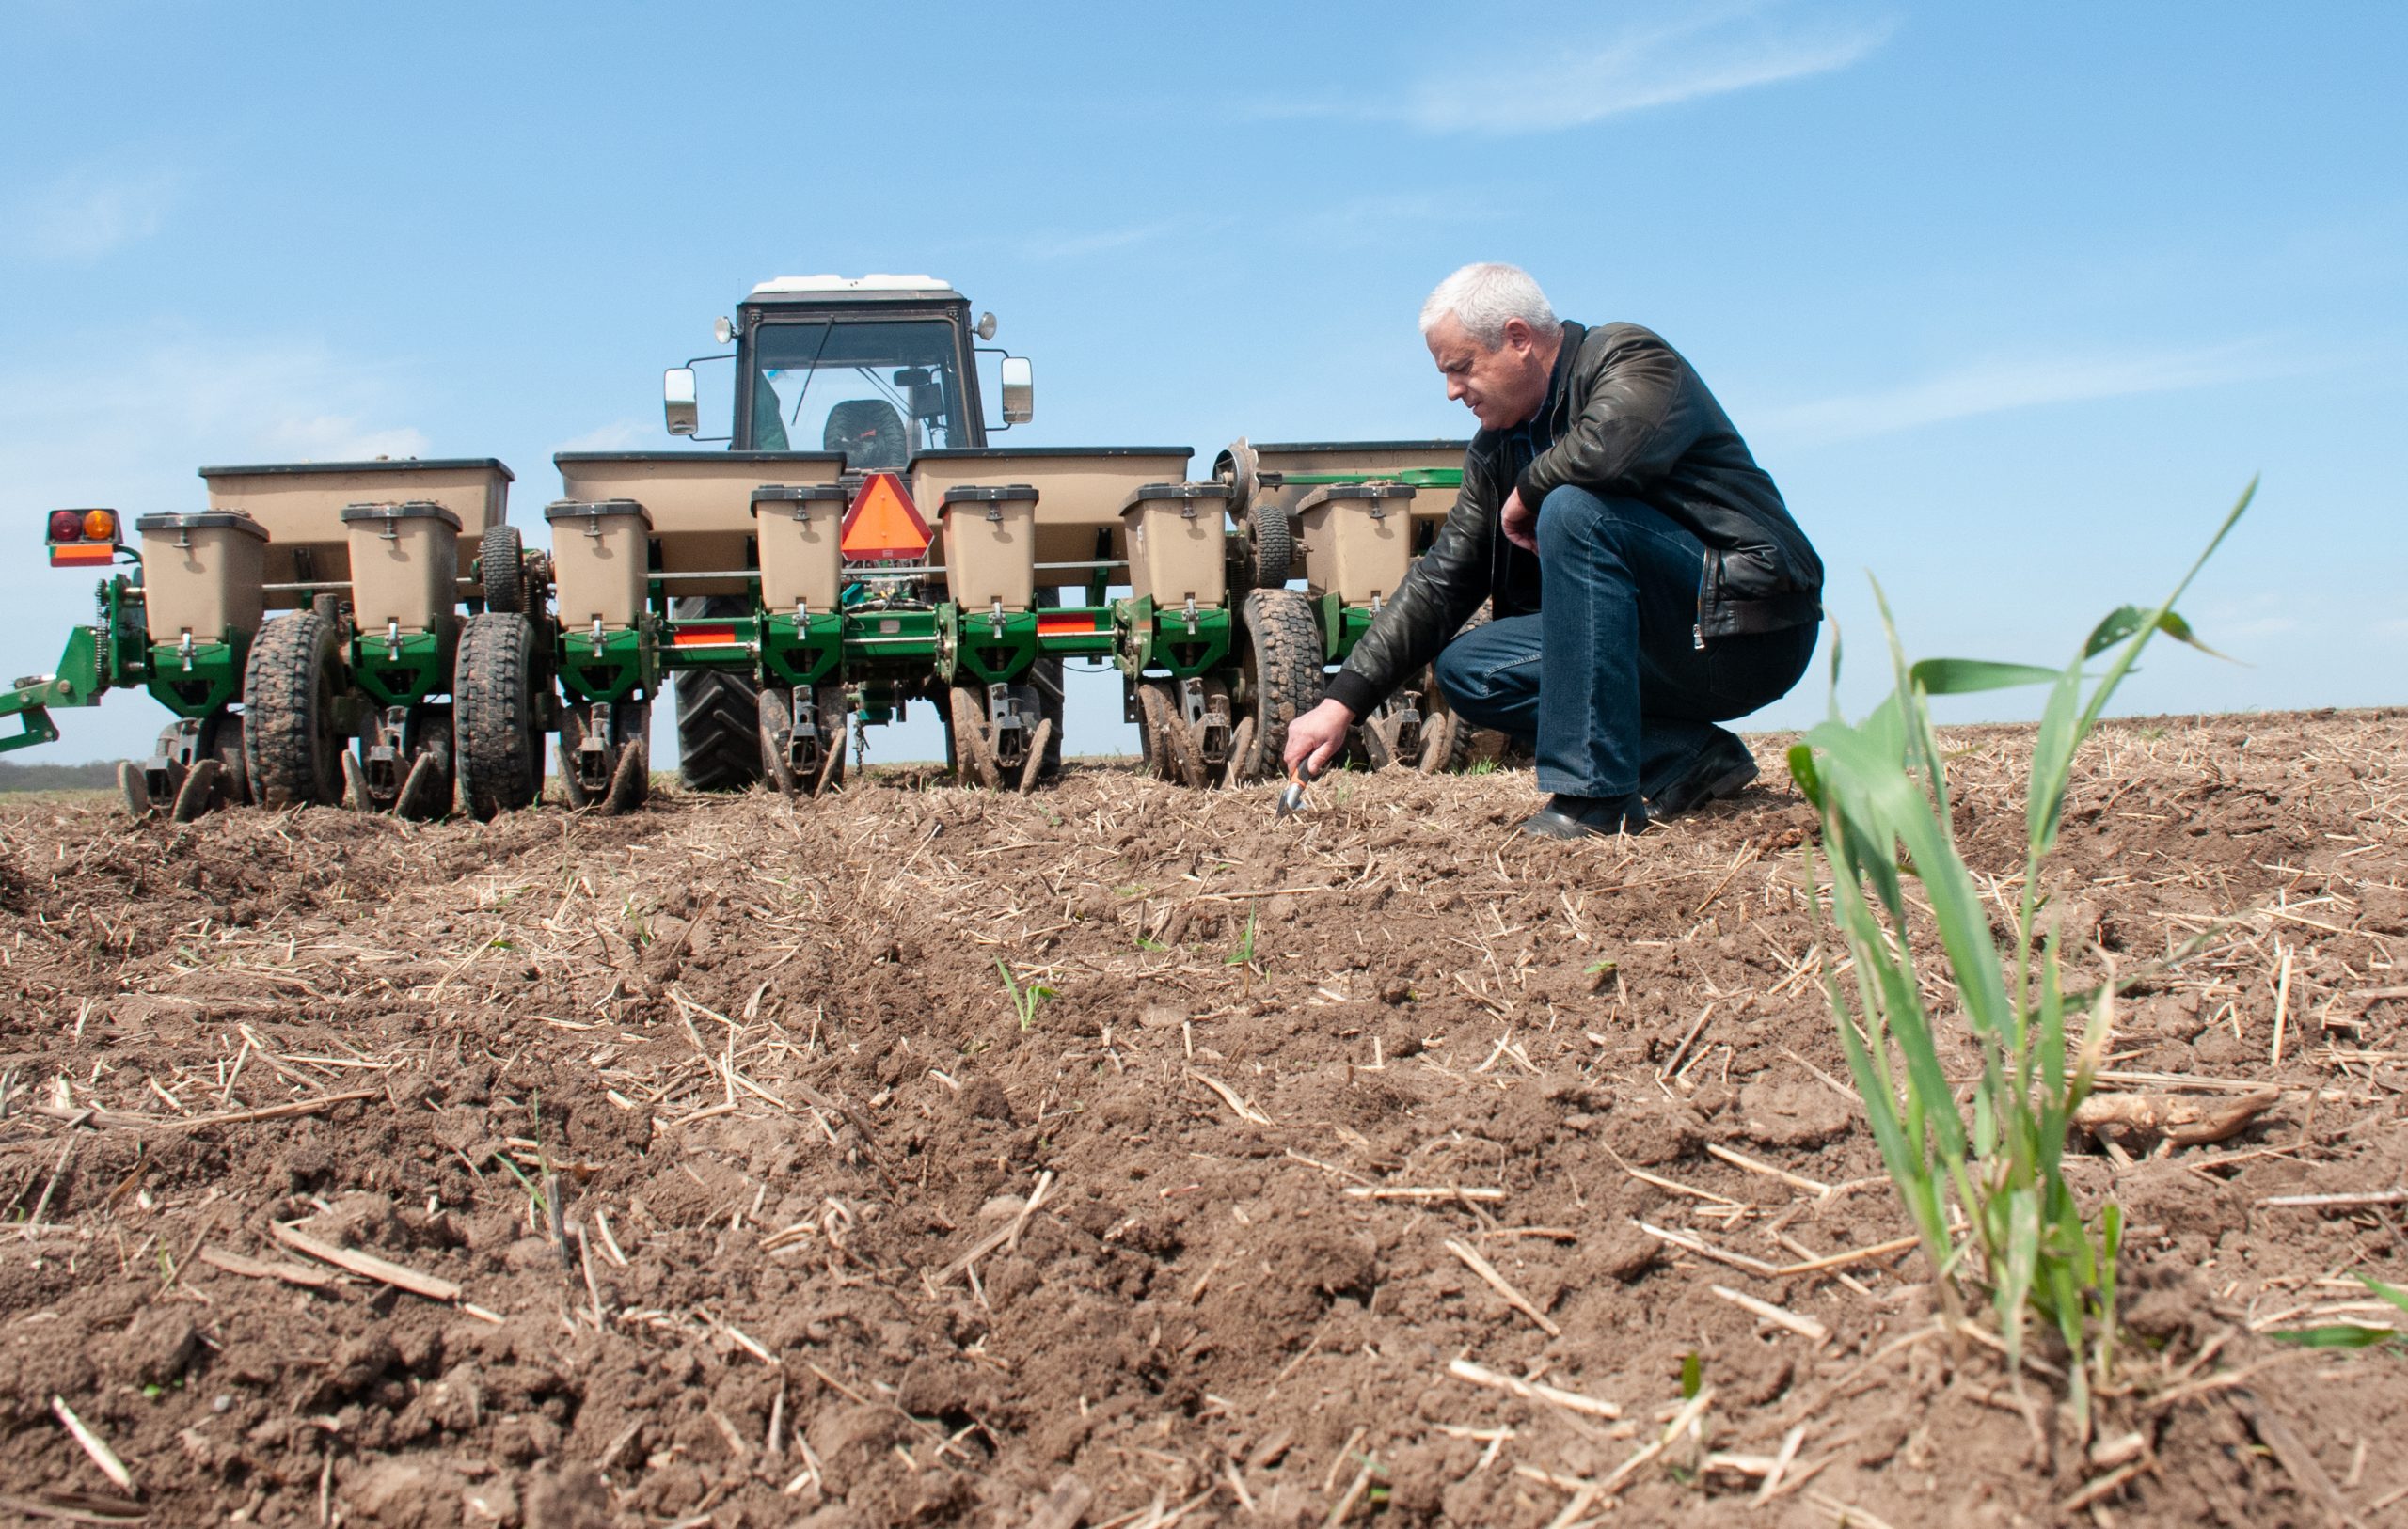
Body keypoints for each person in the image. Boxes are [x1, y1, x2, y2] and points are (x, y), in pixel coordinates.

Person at [1281, 263, 1823, 839]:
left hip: (1744, 627)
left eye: (1461, 368)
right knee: (1472, 669)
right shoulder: (1496, 449)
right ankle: (1685, 755)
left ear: (1518, 338)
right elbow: (1442, 581)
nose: (1451, 391)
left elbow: (1607, 450)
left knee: (1573, 510)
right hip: (1646, 643)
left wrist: (1526, 494)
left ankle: (1596, 801)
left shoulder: (1629, 357)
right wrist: (1341, 703)